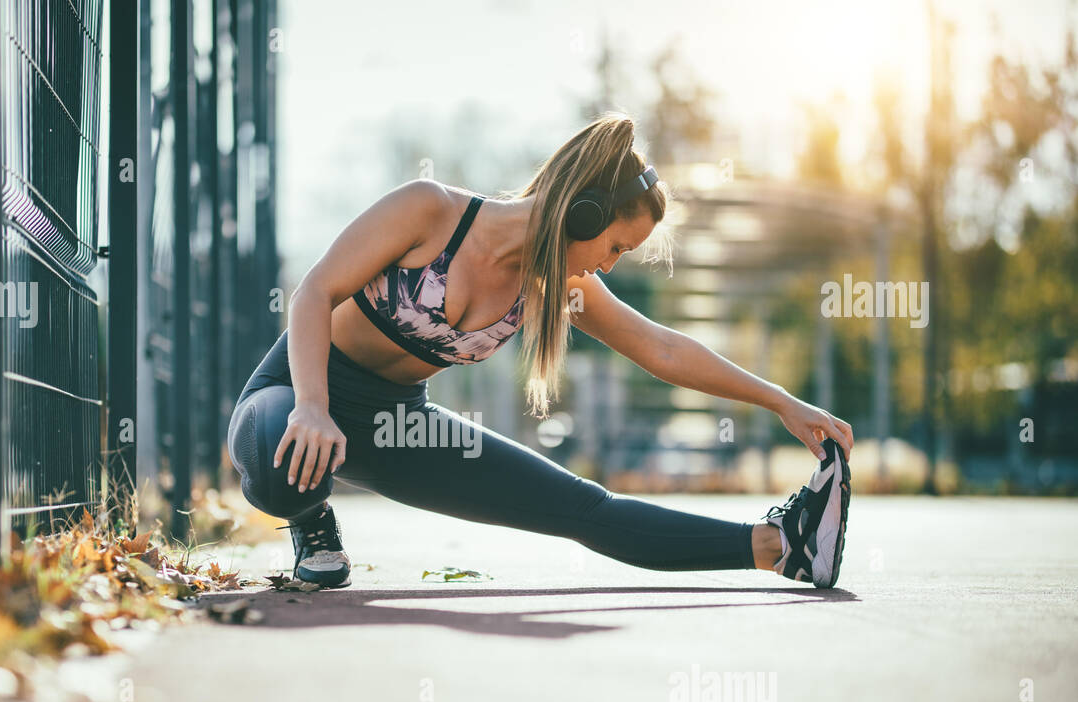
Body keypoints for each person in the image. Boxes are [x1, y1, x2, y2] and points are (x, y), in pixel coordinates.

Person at [227, 112, 853, 590]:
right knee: (286, 449)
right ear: (581, 213)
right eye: (614, 246)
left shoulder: (558, 287)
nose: (609, 263)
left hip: (396, 428)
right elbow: (313, 292)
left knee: (583, 508)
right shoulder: (429, 212)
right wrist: (313, 403)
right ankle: (310, 518)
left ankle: (780, 547)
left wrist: (781, 402)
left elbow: (661, 349)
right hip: (293, 397)